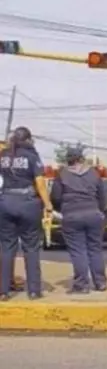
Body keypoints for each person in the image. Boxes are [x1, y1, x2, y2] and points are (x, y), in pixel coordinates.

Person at [0, 127, 52, 300]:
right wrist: (48, 204)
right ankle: (34, 290)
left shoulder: (4, 156)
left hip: (6, 202)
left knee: (7, 248)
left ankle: (4, 291)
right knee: (31, 248)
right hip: (28, 203)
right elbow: (40, 184)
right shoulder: (32, 156)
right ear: (28, 139)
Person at [50, 147, 107, 293]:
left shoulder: (62, 174)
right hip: (93, 214)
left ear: (68, 160)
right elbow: (103, 196)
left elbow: (55, 197)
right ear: (81, 158)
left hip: (72, 216)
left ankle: (82, 285)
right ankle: (100, 283)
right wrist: (98, 210)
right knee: (95, 249)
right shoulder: (93, 173)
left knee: (78, 250)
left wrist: (61, 209)